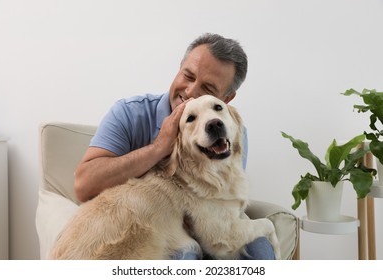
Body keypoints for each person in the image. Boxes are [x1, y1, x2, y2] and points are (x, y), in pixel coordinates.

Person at [74, 33, 276, 260]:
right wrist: (158, 148)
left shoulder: (229, 130)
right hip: (144, 229)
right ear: (179, 68)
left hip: (209, 225)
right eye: (187, 75)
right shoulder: (129, 113)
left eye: (208, 89)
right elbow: (84, 186)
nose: (190, 91)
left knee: (261, 250)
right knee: (185, 254)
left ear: (227, 98)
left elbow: (224, 204)